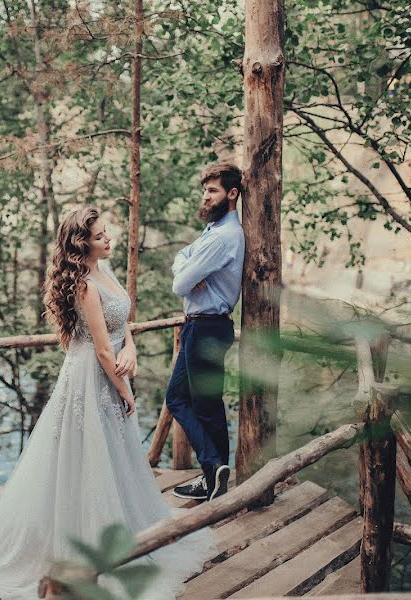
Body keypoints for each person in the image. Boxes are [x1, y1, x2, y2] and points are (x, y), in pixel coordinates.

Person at [0, 206, 217, 600]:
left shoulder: (107, 272)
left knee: (114, 455)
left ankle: (124, 532)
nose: (109, 239)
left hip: (113, 367)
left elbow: (122, 325)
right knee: (84, 455)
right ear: (81, 244)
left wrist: (132, 347)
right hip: (91, 376)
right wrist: (124, 388)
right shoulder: (84, 284)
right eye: (101, 236)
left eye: (107, 233)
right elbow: (102, 348)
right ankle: (77, 546)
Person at [166, 161, 245, 503]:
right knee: (181, 398)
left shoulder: (224, 236)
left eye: (212, 191)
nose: (206, 197)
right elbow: (181, 260)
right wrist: (186, 268)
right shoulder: (214, 232)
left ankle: (213, 471)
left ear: (232, 194)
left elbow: (180, 284)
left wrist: (187, 273)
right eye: (205, 190)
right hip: (201, 326)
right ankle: (215, 471)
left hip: (207, 326)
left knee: (201, 404)